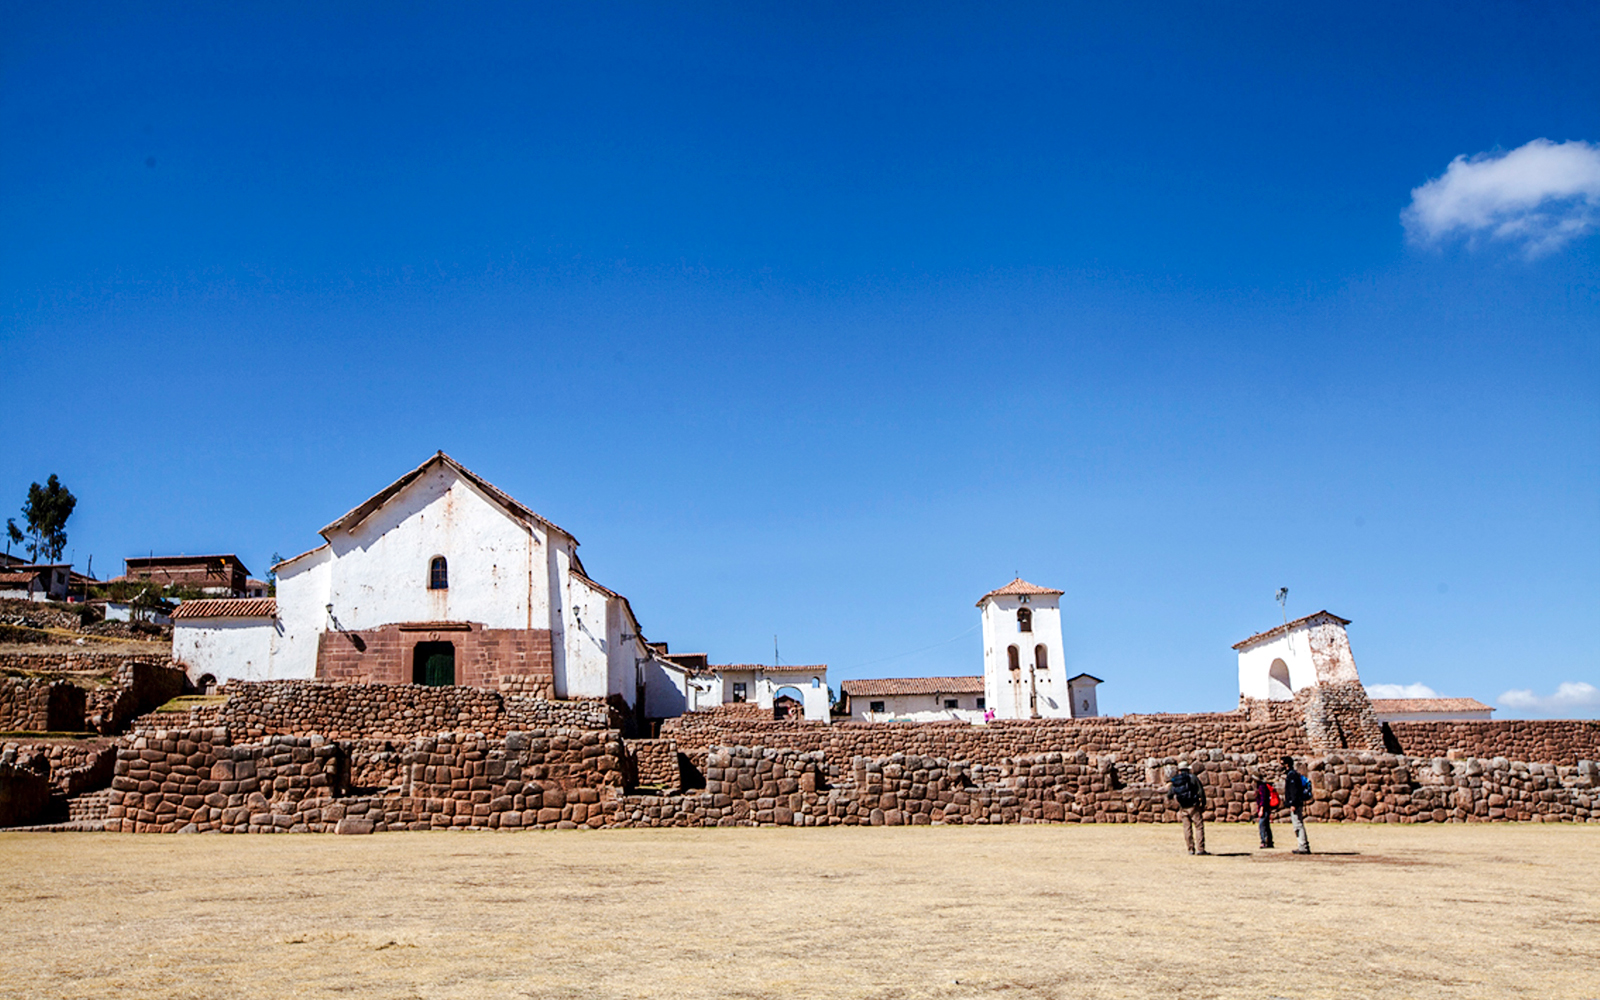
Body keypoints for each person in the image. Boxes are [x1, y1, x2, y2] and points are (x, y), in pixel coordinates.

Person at [1167, 759, 1207, 855]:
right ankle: (1200, 849)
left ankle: (1190, 849)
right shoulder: (1193, 778)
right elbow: (1201, 791)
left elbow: (1169, 794)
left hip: (1183, 806)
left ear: (1180, 770)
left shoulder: (1176, 780)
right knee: (1198, 826)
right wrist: (1203, 803)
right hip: (1193, 805)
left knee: (1187, 828)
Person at [1282, 755, 1311, 854]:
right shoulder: (1292, 775)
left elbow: (1294, 791)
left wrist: (1293, 803)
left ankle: (1303, 846)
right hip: (1295, 803)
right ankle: (1302, 844)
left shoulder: (1292, 775)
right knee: (1297, 824)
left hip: (1296, 804)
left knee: (1298, 825)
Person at [1253, 772, 1275, 849]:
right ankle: (1269, 841)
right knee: (1266, 825)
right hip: (1265, 808)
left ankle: (1264, 841)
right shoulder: (1262, 787)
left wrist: (1261, 810)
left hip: (1264, 809)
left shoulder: (1262, 787)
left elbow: (1263, 799)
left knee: (1262, 825)